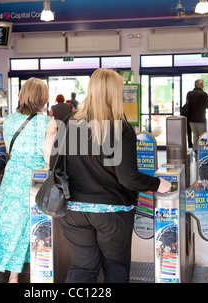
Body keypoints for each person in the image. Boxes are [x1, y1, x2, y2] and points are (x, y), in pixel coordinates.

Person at [46, 68, 171, 283]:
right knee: (115, 267)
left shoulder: (68, 121)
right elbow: (128, 178)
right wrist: (158, 183)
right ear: (115, 93)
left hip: (73, 210)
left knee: (83, 268)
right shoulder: (120, 129)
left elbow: (55, 163)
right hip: (112, 211)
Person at [0, 78, 56, 283]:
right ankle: (40, 274)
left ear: (22, 96)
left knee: (11, 223)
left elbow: (8, 151)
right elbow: (49, 158)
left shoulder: (9, 120)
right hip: (35, 179)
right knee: (35, 225)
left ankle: (13, 276)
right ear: (44, 99)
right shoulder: (49, 123)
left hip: (12, 177)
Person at [185, 79, 208, 152]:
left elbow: (187, 105)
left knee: (195, 136)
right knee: (203, 136)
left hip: (191, 120)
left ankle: (196, 151)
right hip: (201, 119)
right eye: (202, 84)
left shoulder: (189, 94)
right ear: (199, 85)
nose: (203, 86)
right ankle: (203, 152)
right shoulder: (203, 94)